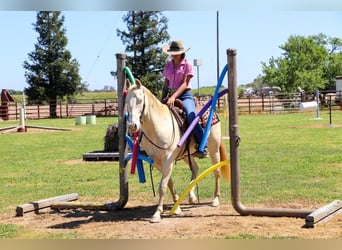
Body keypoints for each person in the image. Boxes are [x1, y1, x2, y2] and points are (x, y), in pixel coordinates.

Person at [161, 40, 208, 158]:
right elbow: (166, 84)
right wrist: (162, 99)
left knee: (191, 115)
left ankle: (203, 145)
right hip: (170, 95)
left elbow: (185, 84)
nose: (173, 54)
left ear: (181, 53)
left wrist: (173, 97)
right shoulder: (168, 65)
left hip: (185, 95)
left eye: (175, 52)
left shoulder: (188, 65)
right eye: (171, 52)